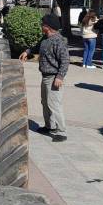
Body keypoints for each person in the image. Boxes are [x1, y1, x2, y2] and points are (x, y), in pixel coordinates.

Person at [19, 13, 69, 142]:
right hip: (45, 76)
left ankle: (61, 131)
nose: (41, 26)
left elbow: (65, 61)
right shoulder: (45, 38)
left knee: (54, 104)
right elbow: (36, 47)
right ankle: (49, 126)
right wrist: (27, 51)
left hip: (54, 77)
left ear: (48, 27)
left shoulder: (59, 41)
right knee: (45, 103)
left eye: (43, 24)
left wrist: (60, 77)